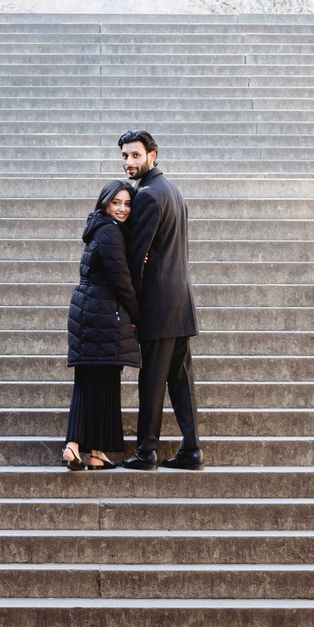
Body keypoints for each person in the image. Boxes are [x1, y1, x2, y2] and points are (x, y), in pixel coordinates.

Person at [116, 128, 203, 471]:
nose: (129, 161)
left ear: (152, 156)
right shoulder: (172, 190)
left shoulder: (149, 195)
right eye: (125, 155)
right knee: (181, 381)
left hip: (159, 305)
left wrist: (132, 309)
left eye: (135, 155)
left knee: (152, 381)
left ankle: (146, 452)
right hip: (180, 302)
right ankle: (191, 450)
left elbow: (136, 259)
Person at [62, 181, 141, 471]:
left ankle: (95, 452)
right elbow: (121, 281)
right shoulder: (110, 232)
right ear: (105, 203)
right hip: (101, 313)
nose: (122, 209)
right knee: (94, 380)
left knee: (98, 381)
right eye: (116, 203)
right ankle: (73, 446)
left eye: (127, 204)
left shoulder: (104, 229)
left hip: (92, 310)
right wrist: (137, 315)